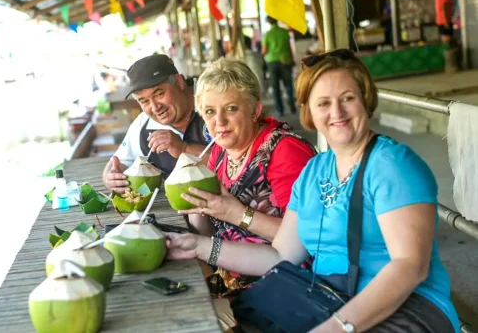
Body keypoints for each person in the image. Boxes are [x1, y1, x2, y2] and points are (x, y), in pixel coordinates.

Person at [166, 50, 460, 332]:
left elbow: (410, 267)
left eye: (348, 98)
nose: (337, 112)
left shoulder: (393, 165)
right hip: (329, 298)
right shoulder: (315, 171)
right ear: (309, 112)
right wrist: (199, 246)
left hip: (406, 309)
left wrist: (338, 327)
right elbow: (281, 254)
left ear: (366, 101)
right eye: (323, 103)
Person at [175, 58, 315, 330]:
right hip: (229, 270)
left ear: (255, 110)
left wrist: (238, 214)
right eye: (210, 112)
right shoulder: (218, 152)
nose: (220, 122)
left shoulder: (284, 152)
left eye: (231, 108)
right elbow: (207, 231)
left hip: (282, 282)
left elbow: (306, 239)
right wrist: (196, 206)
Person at [102, 54, 211, 194]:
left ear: (179, 82)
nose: (154, 107)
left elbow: (241, 162)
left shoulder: (212, 103)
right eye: (144, 101)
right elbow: (119, 161)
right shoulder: (143, 126)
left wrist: (185, 149)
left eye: (159, 94)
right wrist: (110, 178)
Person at [262, 16, 297, 117]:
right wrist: (292, 59)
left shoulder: (268, 34)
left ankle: (280, 110)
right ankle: (291, 102)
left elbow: (264, 51)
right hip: (286, 60)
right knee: (288, 84)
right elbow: (289, 47)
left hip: (272, 62)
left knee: (275, 87)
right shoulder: (285, 32)